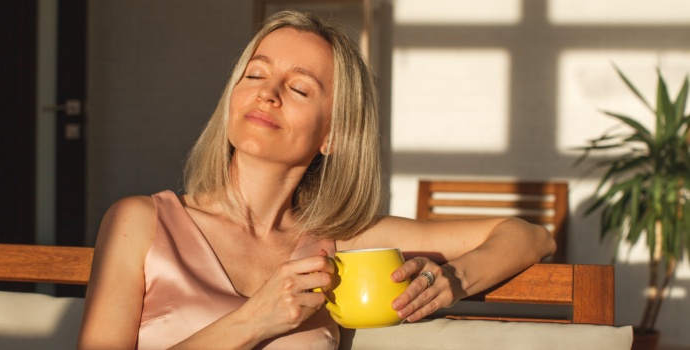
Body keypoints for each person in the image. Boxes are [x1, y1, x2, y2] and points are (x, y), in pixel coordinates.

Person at [78, 10, 555, 350]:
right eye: (255, 75)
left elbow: (531, 236)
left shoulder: (343, 245)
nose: (268, 93)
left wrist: (455, 279)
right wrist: (252, 321)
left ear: (332, 134)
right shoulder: (140, 222)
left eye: (299, 87)